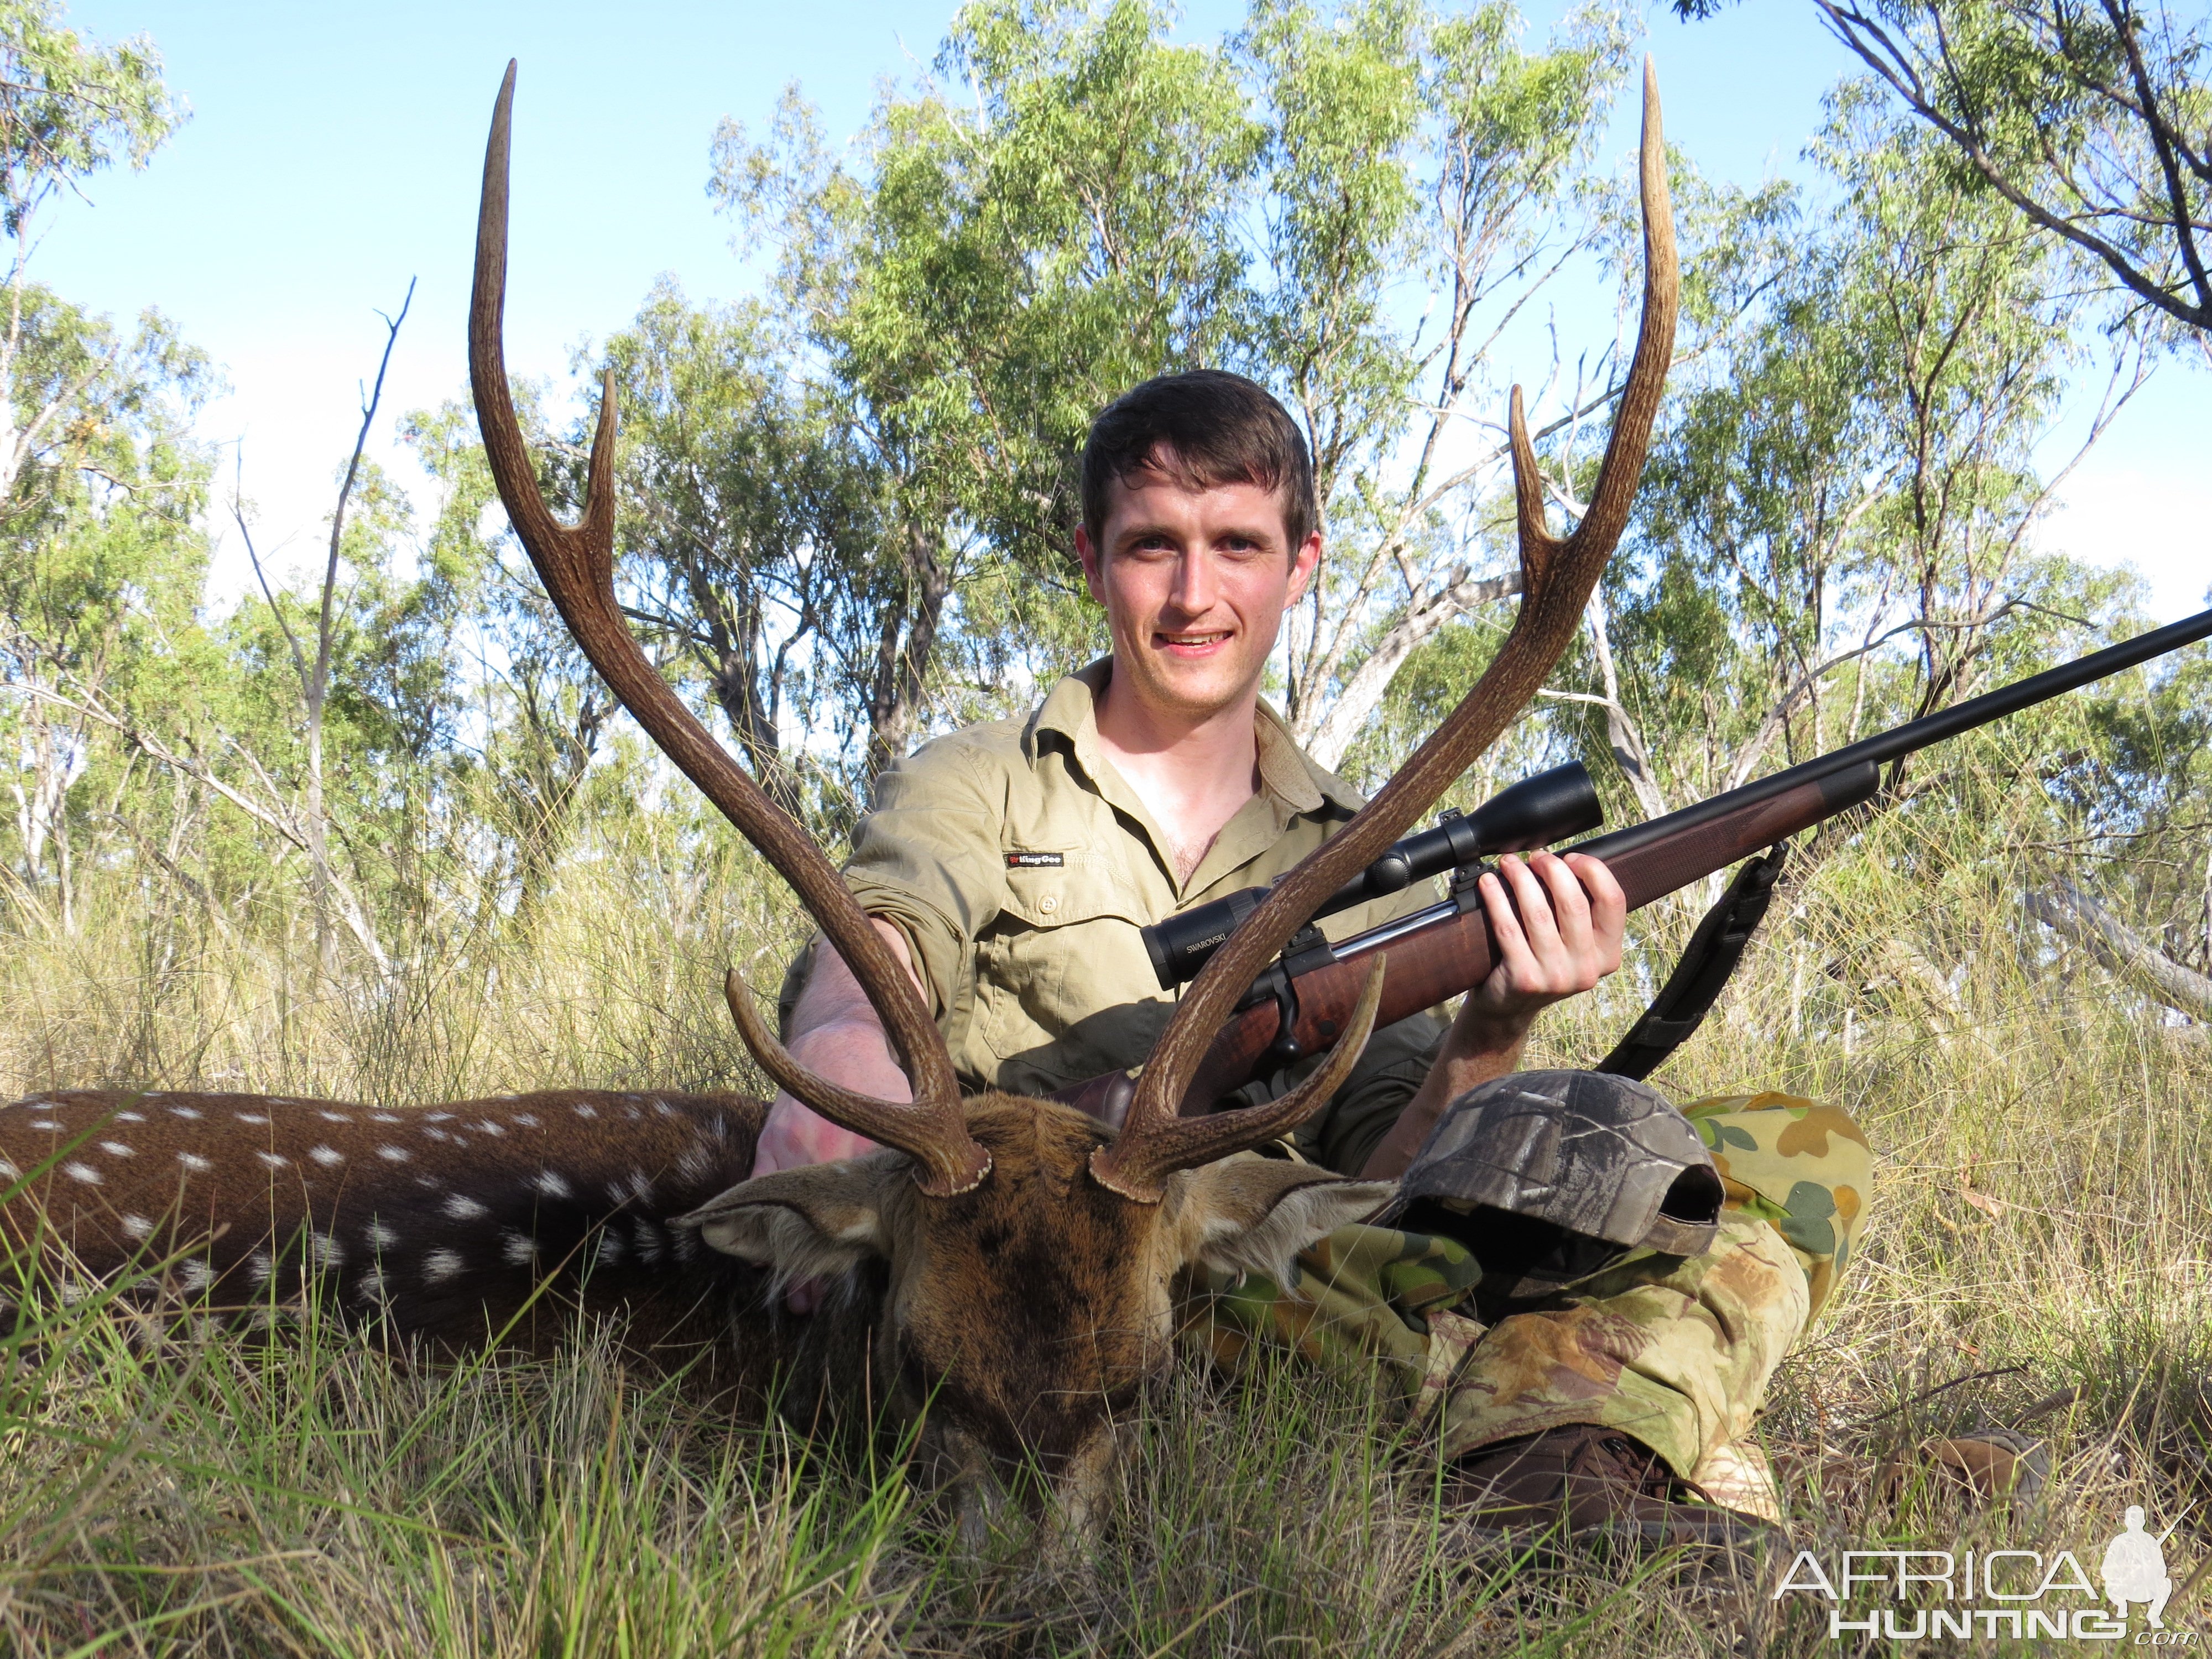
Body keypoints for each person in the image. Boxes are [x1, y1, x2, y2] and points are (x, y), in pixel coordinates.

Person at [753, 369, 1871, 1542]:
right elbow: (881, 928)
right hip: (1032, 1296)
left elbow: (1389, 1200)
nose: (1193, 594)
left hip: (1272, 1292)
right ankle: (1581, 1448)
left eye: (1236, 544)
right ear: (1092, 560)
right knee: (1514, 1316)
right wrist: (842, 1049)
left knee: (1790, 1153)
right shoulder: (980, 776)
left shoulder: (1362, 859)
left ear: (1300, 564)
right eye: (1152, 547)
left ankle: (1552, 1459)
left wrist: (1493, 1029)